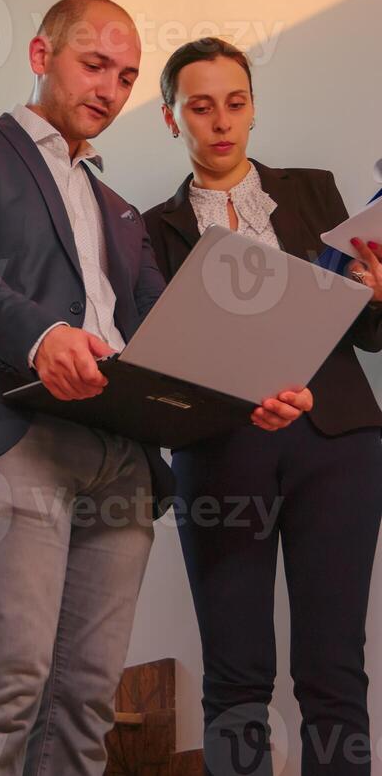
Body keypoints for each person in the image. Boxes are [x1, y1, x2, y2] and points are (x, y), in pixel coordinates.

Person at [0, 2, 311, 776]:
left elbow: (161, 338)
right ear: (42, 54)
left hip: (120, 460)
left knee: (85, 701)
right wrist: (42, 338)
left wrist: (253, 393)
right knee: (7, 677)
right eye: (94, 65)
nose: (111, 88)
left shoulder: (120, 211)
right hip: (5, 434)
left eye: (128, 76)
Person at [144, 38, 382, 776]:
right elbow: (162, 362)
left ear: (252, 108)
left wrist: (378, 293)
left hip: (336, 442)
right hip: (222, 451)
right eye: (201, 106)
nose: (221, 122)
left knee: (333, 667)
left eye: (236, 104)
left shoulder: (313, 190)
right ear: (170, 117)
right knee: (236, 674)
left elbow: (365, 333)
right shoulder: (149, 229)